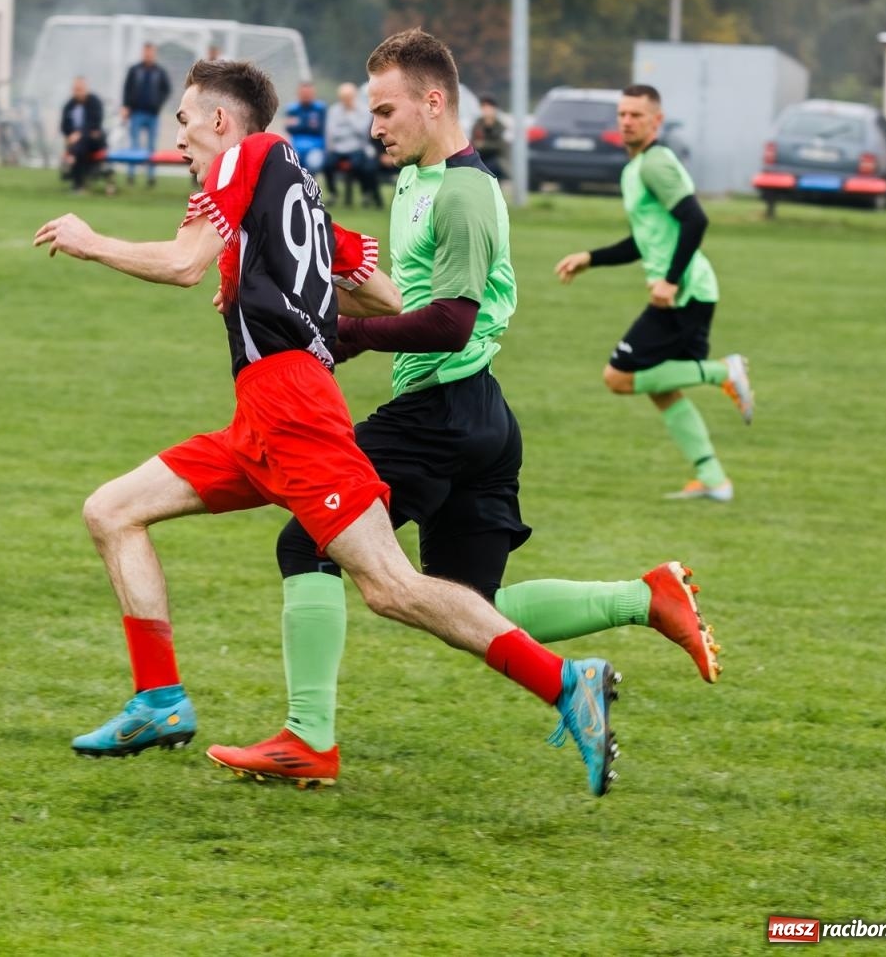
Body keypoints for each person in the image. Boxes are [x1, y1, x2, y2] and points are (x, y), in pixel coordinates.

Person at [34, 58, 622, 797]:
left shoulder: (244, 158)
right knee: (112, 510)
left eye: (183, 122)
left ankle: (568, 682)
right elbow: (381, 291)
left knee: (393, 587)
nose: (177, 138)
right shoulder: (295, 187)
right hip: (260, 415)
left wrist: (90, 240)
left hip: (293, 411)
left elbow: (185, 264)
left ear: (221, 121)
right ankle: (159, 700)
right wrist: (303, 303)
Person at [220, 32, 722, 789]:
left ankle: (308, 739)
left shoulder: (462, 190)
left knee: (309, 544)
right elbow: (414, 295)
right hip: (477, 411)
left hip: (439, 416)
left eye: (387, 110)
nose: (376, 126)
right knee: (468, 602)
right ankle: (642, 597)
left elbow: (452, 319)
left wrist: (347, 336)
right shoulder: (419, 180)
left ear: (434, 101)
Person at [554, 84, 754, 501]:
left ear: (656, 121)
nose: (626, 121)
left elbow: (695, 220)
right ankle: (713, 478)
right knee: (661, 388)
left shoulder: (655, 164)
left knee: (619, 377)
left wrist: (671, 281)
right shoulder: (637, 167)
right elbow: (644, 240)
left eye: (636, 115)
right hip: (691, 292)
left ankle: (723, 371)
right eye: (622, 114)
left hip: (684, 295)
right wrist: (591, 257)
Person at [120, 42, 171, 187]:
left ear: (154, 53)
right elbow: (127, 89)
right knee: (134, 145)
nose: (148, 54)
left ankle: (150, 177)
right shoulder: (135, 70)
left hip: (153, 114)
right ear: (143, 53)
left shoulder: (159, 72)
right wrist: (126, 106)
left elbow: (166, 90)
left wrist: (158, 103)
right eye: (146, 51)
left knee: (151, 147)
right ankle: (131, 175)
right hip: (136, 112)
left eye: (151, 52)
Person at [324, 82, 380, 208]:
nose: (346, 101)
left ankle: (365, 193)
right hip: (338, 149)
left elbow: (363, 131)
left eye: (349, 97)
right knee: (326, 165)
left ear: (354, 96)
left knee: (359, 166)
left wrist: (349, 117)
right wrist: (350, 130)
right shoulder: (334, 110)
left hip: (357, 148)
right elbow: (332, 133)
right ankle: (333, 193)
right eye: (344, 98)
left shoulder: (364, 109)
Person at [60, 76, 107, 194]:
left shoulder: (95, 102)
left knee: (81, 143)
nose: (78, 92)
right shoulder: (69, 105)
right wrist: (71, 135)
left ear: (86, 89)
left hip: (93, 141)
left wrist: (79, 134)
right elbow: (64, 126)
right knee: (78, 147)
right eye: (76, 89)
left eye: (80, 89)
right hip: (76, 142)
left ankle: (77, 180)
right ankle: (78, 183)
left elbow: (95, 123)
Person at [283, 80, 327, 174]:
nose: (306, 95)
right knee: (289, 161)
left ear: (313, 93)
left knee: (314, 163)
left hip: (315, 147)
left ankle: (310, 185)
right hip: (296, 146)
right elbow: (289, 128)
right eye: (303, 93)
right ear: (298, 93)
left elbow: (320, 129)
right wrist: (308, 125)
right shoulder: (292, 109)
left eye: (308, 93)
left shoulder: (321, 108)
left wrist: (299, 124)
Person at [471, 94, 507, 180]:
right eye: (484, 107)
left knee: (493, 166)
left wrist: (484, 145)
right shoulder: (478, 124)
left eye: (489, 107)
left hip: (497, 160)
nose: (486, 111)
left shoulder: (500, 126)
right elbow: (474, 143)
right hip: (481, 158)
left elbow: (501, 146)